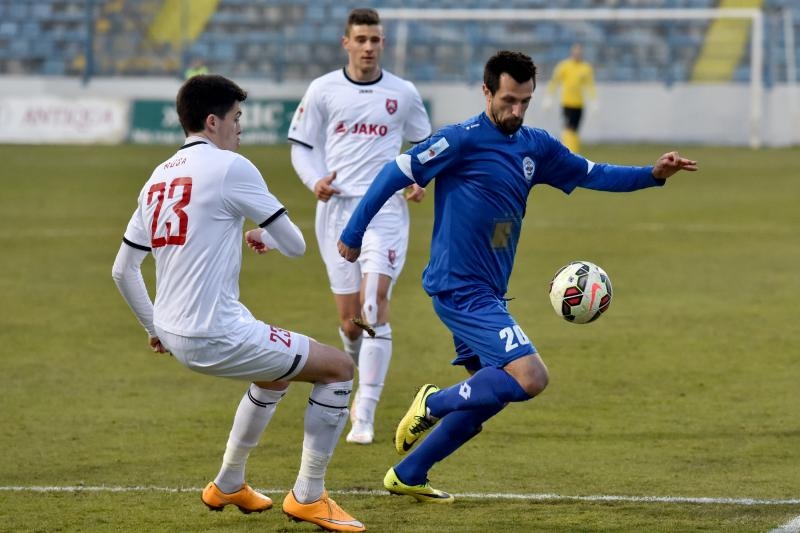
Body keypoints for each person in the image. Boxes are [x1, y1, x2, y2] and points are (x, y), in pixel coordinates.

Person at [337, 50, 697, 503]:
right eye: (508, 100)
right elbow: (395, 171)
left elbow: (593, 174)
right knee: (531, 376)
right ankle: (432, 402)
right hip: (459, 289)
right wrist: (353, 233)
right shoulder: (460, 140)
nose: (517, 111)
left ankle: (409, 473)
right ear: (486, 92)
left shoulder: (536, 145)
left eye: (525, 101)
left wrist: (652, 174)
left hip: (488, 290)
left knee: (488, 396)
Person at [111, 74, 364, 532]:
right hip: (215, 331)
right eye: (237, 118)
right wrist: (265, 233)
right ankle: (309, 495)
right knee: (339, 370)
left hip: (175, 328)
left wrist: (154, 329)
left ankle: (228, 483)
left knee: (275, 375)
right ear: (213, 122)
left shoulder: (157, 178)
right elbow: (297, 245)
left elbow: (123, 270)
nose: (240, 129)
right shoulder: (231, 167)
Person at [288, 7, 431, 445]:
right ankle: (352, 364)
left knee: (373, 304)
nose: (369, 47)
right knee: (351, 323)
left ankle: (363, 413)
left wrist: (420, 178)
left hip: (385, 209)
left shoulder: (402, 93)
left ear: (383, 44)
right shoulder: (323, 89)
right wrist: (315, 180)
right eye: (361, 39)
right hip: (337, 211)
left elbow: (425, 142)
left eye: (375, 40)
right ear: (346, 43)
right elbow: (301, 147)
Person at [544, 43, 596, 153]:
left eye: (579, 52)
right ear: (572, 53)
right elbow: (555, 81)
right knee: (568, 129)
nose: (577, 54)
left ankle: (574, 153)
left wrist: (593, 101)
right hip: (567, 102)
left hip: (579, 103)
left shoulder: (586, 68)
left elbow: (590, 85)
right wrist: (549, 97)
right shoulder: (564, 66)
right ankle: (568, 152)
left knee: (575, 130)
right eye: (575, 52)